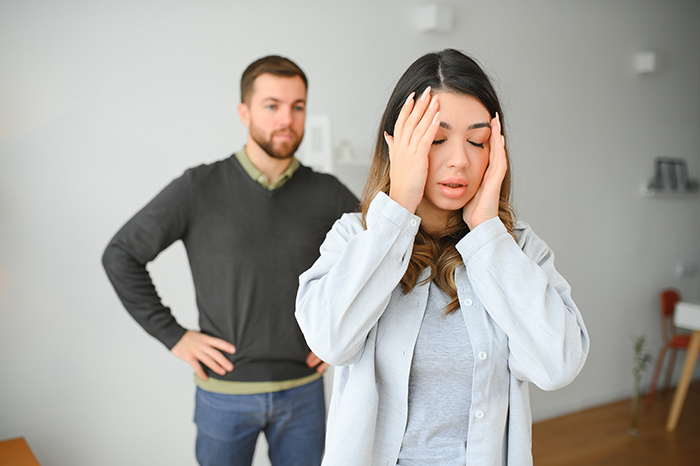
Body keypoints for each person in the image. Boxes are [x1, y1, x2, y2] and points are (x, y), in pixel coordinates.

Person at [295, 49, 590, 466]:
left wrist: (487, 231)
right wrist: (397, 208)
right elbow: (330, 341)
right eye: (436, 139)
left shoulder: (516, 248)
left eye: (477, 141)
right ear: (399, 144)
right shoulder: (355, 236)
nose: (459, 160)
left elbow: (558, 366)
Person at [102, 55, 358, 466]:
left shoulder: (328, 194)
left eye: (298, 107)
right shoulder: (198, 187)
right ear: (244, 112)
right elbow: (121, 255)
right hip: (224, 396)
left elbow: (381, 263)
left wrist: (345, 338)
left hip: (304, 392)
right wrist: (174, 335)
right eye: (272, 105)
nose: (286, 119)